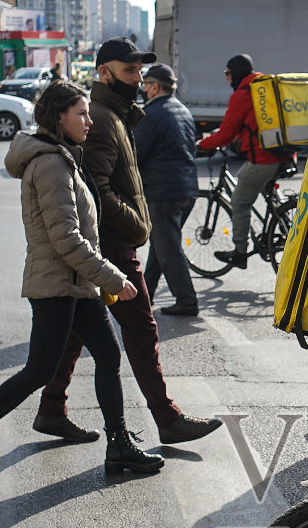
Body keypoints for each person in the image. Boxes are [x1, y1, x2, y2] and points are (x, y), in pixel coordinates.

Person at [0, 81, 163, 479]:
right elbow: (66, 237)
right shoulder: (50, 164)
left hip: (76, 284)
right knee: (39, 370)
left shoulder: (62, 157)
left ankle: (119, 447)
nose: (88, 120)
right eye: (81, 113)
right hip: (57, 285)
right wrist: (111, 277)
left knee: (108, 356)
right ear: (58, 116)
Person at [33, 38, 220, 446]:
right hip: (113, 247)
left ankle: (51, 409)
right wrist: (134, 222)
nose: (138, 79)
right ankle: (167, 419)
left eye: (140, 72)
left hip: (110, 245)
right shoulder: (100, 117)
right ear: (105, 73)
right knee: (141, 332)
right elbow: (97, 188)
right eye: (130, 71)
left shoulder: (116, 114)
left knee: (75, 334)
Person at [196, 53, 286, 271]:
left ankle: (239, 253)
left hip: (263, 159)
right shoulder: (264, 89)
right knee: (267, 196)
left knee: (239, 202)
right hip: (284, 154)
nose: (226, 78)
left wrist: (201, 145)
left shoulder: (242, 95)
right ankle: (283, 220)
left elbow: (226, 135)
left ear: (234, 73)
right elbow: (251, 124)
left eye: (227, 73)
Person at [132, 62, 199, 317]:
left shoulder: (153, 113)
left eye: (146, 84)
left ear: (156, 87)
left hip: (163, 191)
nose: (143, 89)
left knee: (168, 248)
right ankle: (145, 293)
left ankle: (187, 300)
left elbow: (137, 154)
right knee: (162, 245)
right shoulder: (182, 110)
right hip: (186, 188)